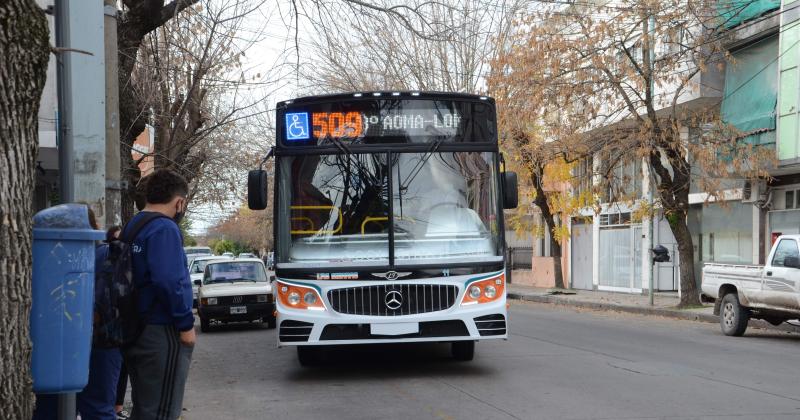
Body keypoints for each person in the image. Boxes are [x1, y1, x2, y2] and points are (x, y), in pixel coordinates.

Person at [32, 209, 124, 420]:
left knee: (50, 407)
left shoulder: (47, 257)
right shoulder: (107, 256)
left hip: (57, 348)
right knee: (97, 408)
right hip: (103, 344)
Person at [122, 169, 195, 420]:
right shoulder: (165, 228)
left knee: (144, 406)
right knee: (163, 409)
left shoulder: (133, 225)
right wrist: (186, 324)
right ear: (179, 202)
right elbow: (168, 280)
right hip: (161, 330)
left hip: (135, 327)